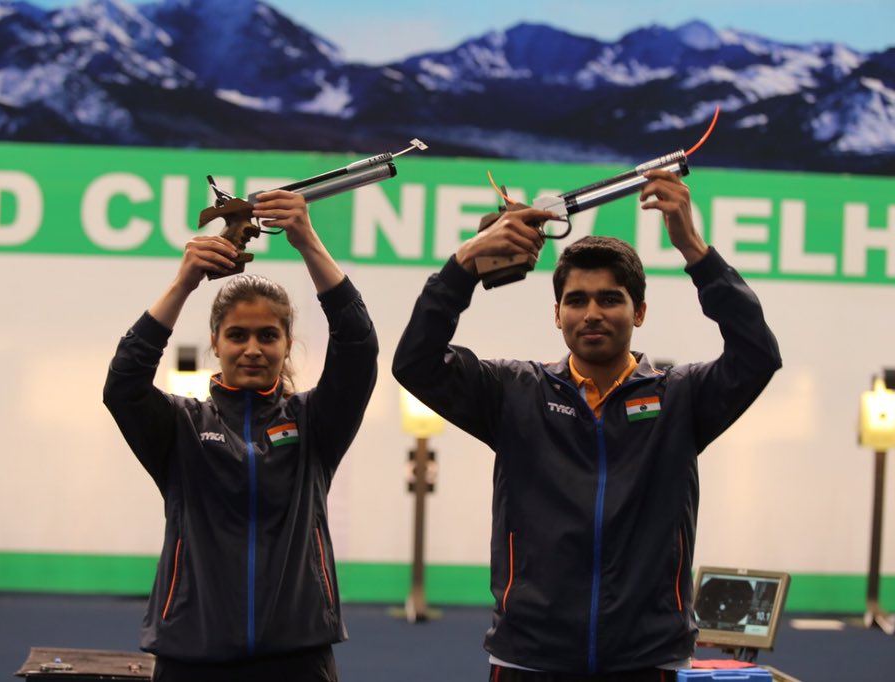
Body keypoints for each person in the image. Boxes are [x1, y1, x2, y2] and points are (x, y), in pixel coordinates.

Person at [392, 170, 782, 681]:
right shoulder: (514, 392)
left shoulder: (681, 398)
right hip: (530, 656)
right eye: (577, 300)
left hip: (648, 656)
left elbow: (757, 355)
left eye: (610, 299)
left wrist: (694, 249)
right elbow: (415, 363)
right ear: (557, 314)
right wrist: (466, 262)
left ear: (639, 311)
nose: (592, 313)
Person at [103, 190, 378, 682]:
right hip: (192, 651)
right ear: (215, 342)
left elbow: (358, 346)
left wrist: (308, 241)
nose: (253, 349)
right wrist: (184, 281)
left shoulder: (316, 423)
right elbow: (122, 386)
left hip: (297, 653)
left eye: (268, 336)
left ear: (287, 343)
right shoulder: (182, 427)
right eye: (237, 335)